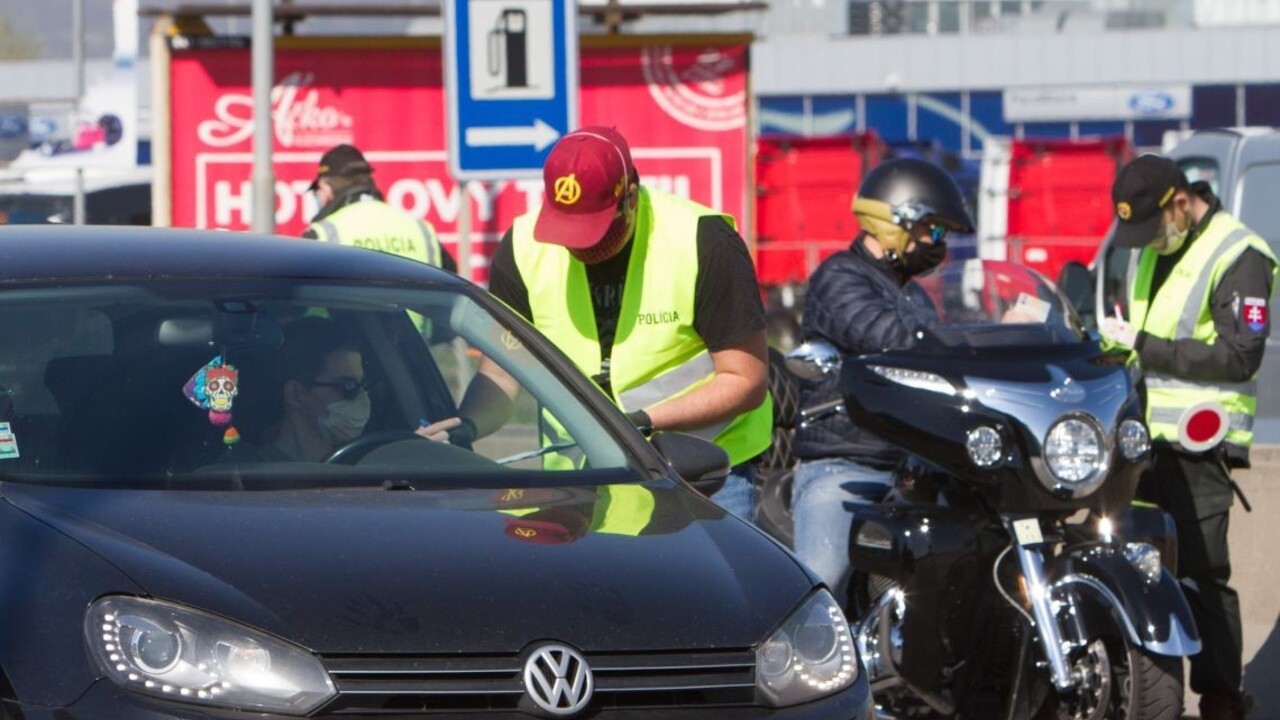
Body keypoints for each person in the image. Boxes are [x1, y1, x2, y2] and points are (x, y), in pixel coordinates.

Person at [421, 126, 773, 523]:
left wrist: (638, 424)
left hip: (700, 475)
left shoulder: (701, 242)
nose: (582, 245)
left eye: (597, 229)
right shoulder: (522, 248)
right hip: (580, 486)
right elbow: (504, 371)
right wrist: (467, 427)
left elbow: (745, 379)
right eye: (569, 230)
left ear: (631, 197)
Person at [1102, 154, 1275, 720]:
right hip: (1141, 443)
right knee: (1134, 563)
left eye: (1151, 228)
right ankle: (1141, 685)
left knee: (1203, 574)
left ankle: (1222, 697)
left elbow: (1240, 356)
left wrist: (1145, 345)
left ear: (1180, 202)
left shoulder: (1239, 254)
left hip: (1200, 447)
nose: (1146, 242)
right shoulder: (1158, 248)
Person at [791, 157, 975, 607]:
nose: (939, 244)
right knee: (817, 594)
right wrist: (965, 340)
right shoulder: (838, 277)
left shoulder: (910, 293)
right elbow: (889, 340)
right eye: (933, 231)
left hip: (913, 469)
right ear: (894, 223)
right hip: (845, 465)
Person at [303, 144, 456, 272]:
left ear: (326, 187)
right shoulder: (421, 229)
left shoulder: (323, 233)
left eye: (318, 192)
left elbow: (299, 295)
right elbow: (454, 287)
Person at [260, 317, 372, 462]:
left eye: (362, 385)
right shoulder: (249, 476)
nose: (362, 397)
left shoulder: (370, 464)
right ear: (295, 395)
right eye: (348, 386)